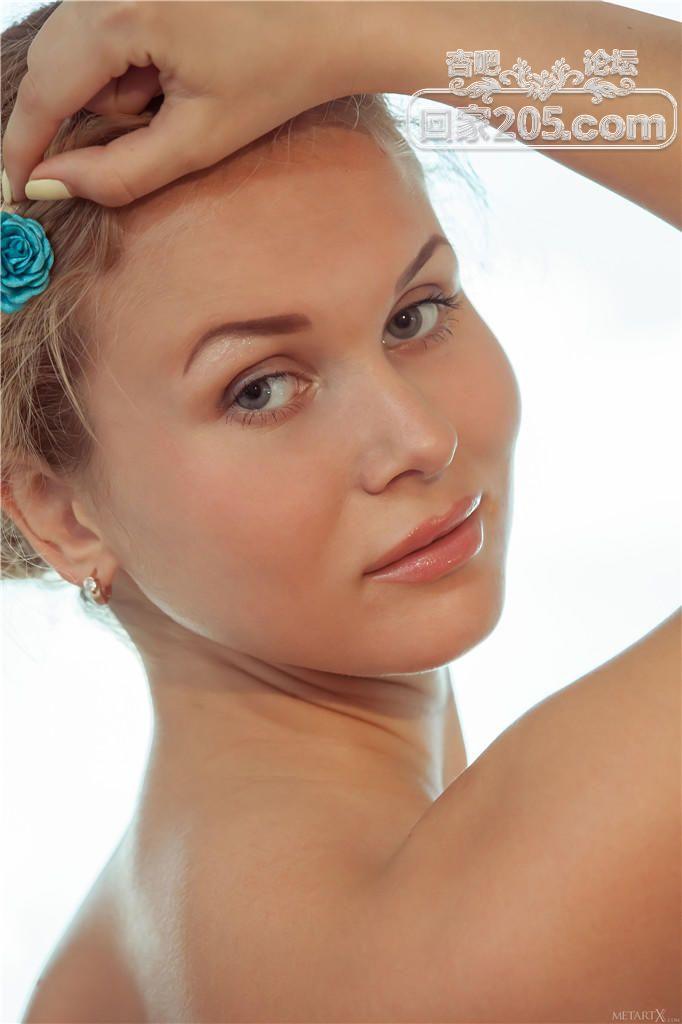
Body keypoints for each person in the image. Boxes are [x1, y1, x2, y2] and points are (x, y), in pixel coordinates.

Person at [1, 3, 679, 1022]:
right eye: (262, 388)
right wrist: (375, 22)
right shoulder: (470, 940)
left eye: (415, 315)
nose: (420, 439)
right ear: (61, 514)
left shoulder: (103, 974)